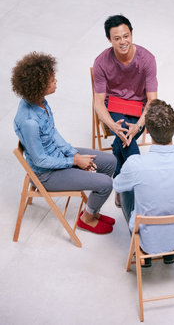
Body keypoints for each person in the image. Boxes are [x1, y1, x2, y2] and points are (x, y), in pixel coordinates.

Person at [12, 52, 117, 235]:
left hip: (59, 157)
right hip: (47, 174)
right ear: (39, 86)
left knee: (111, 163)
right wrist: (74, 161)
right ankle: (87, 219)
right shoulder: (29, 121)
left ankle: (92, 211)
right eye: (52, 80)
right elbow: (40, 161)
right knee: (106, 183)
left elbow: (53, 133)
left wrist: (72, 153)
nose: (56, 81)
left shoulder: (40, 101)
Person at [113, 99, 174, 266]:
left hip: (147, 240)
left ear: (148, 131)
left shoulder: (136, 164)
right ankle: (169, 255)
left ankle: (145, 256)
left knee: (127, 187)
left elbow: (118, 186)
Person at [93, 14, 158, 208]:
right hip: (114, 106)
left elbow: (152, 100)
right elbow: (98, 103)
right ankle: (140, 185)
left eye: (126, 36)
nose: (123, 42)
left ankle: (121, 185)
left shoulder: (147, 59)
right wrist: (112, 125)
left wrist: (138, 125)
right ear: (109, 39)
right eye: (117, 38)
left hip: (140, 107)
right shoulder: (101, 62)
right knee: (123, 136)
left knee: (120, 143)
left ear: (131, 34)